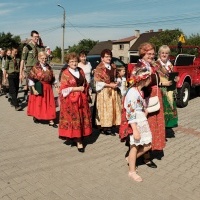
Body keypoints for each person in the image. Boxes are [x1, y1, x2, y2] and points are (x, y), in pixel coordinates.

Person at [133, 42, 166, 167]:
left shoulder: (152, 65)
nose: (151, 56)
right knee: (146, 129)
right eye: (149, 54)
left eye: (153, 54)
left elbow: (165, 73)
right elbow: (137, 86)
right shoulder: (139, 67)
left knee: (154, 128)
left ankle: (148, 154)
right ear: (143, 53)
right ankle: (140, 157)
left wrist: (157, 66)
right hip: (146, 102)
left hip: (155, 101)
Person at [58, 52, 92, 153]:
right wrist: (77, 88)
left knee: (81, 118)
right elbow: (63, 89)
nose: (74, 63)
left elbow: (85, 83)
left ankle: (78, 136)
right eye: (71, 61)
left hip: (82, 99)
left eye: (75, 61)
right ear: (68, 63)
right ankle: (78, 141)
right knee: (74, 120)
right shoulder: (65, 73)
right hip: (71, 101)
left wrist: (86, 91)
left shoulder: (81, 71)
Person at [123, 68, 152, 182]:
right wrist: (134, 129)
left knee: (148, 145)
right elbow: (130, 112)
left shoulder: (141, 91)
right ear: (143, 79)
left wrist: (145, 111)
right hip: (135, 122)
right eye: (148, 77)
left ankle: (130, 159)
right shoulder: (132, 92)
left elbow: (139, 106)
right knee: (134, 146)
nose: (150, 79)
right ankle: (132, 171)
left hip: (142, 120)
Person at [93, 49, 121, 136]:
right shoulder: (99, 68)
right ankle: (105, 128)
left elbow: (118, 76)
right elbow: (98, 82)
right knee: (105, 110)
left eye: (109, 56)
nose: (109, 58)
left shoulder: (113, 66)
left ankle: (111, 125)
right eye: (106, 56)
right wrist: (109, 85)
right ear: (102, 58)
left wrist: (118, 81)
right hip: (104, 92)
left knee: (113, 109)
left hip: (113, 90)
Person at [27, 51, 58, 128]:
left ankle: (51, 120)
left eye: (45, 58)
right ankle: (36, 116)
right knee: (39, 104)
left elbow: (53, 78)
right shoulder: (35, 67)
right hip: (39, 87)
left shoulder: (49, 67)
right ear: (38, 58)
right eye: (42, 58)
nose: (44, 60)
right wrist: (33, 90)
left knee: (50, 104)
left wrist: (56, 86)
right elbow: (31, 79)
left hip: (48, 89)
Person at [156, 45, 178, 129]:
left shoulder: (170, 64)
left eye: (166, 53)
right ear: (159, 54)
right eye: (162, 53)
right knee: (162, 110)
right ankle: (161, 129)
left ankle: (167, 127)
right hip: (161, 90)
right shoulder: (156, 64)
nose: (164, 55)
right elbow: (153, 79)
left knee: (169, 109)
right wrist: (163, 84)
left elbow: (172, 76)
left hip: (170, 90)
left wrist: (176, 79)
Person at [20, 30, 44, 102]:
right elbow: (22, 60)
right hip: (30, 69)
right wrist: (21, 73)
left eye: (38, 37)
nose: (36, 38)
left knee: (39, 85)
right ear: (31, 37)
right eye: (35, 37)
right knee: (31, 85)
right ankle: (31, 100)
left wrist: (40, 40)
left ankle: (36, 100)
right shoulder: (27, 47)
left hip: (38, 68)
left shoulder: (39, 47)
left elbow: (43, 54)